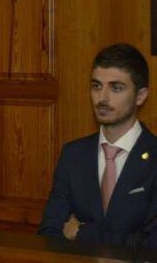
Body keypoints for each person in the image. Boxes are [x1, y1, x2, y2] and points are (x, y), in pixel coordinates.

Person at [39, 43, 157, 248]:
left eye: (116, 88)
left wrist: (83, 232)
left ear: (141, 96)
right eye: (96, 86)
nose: (102, 98)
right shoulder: (73, 154)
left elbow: (152, 245)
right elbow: (49, 232)